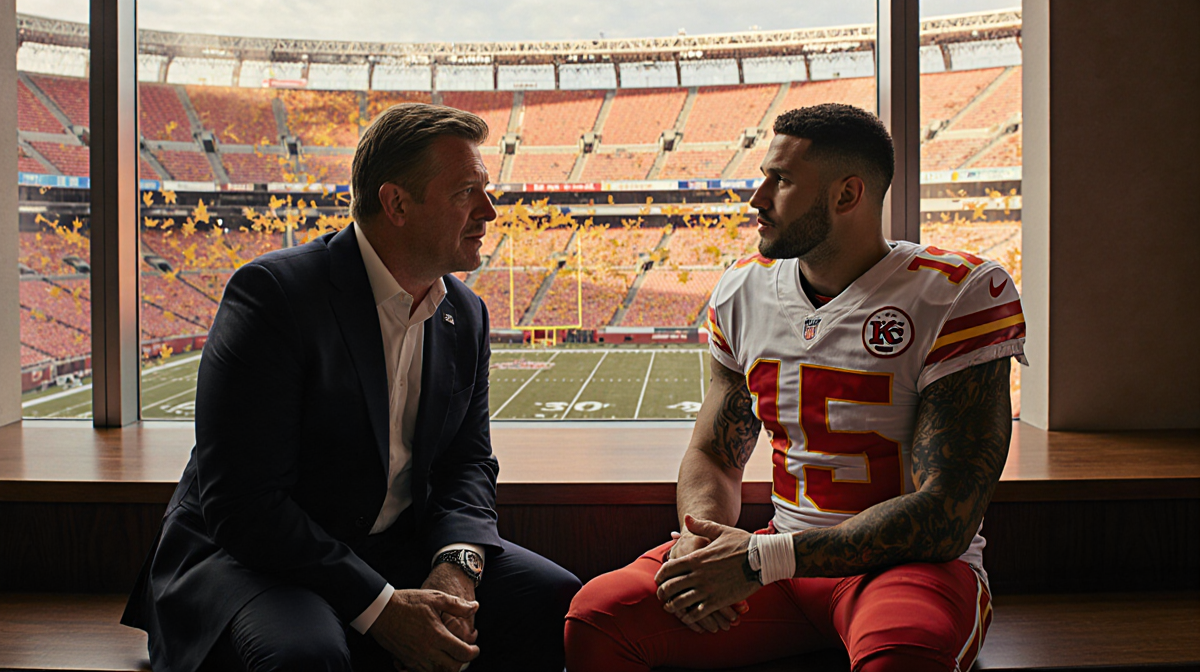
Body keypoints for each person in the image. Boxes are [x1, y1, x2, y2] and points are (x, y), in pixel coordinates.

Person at [565, 103, 1025, 672]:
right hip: (778, 556)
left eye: (780, 181)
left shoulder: (958, 293)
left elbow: (947, 513)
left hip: (905, 569)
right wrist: (699, 539)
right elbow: (713, 451)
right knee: (598, 618)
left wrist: (762, 560)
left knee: (903, 656)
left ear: (846, 195)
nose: (756, 198)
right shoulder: (743, 289)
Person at [123, 103, 581, 672]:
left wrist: (456, 567)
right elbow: (243, 505)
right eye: (467, 191)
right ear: (396, 204)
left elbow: (467, 463)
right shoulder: (275, 295)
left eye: (486, 190)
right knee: (305, 657)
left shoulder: (465, 312)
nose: (489, 211)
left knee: (555, 600)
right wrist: (381, 606)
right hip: (254, 559)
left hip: (390, 545)